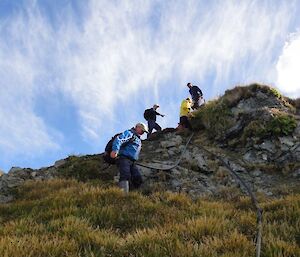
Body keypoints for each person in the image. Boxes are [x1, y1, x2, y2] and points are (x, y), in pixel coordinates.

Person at [110, 123, 148, 193]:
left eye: (144, 131)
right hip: (123, 158)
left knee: (137, 178)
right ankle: (123, 195)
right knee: (125, 174)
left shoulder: (138, 139)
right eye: (142, 130)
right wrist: (115, 150)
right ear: (137, 127)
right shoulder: (130, 133)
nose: (143, 132)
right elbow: (119, 139)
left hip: (132, 161)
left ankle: (133, 195)